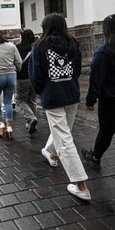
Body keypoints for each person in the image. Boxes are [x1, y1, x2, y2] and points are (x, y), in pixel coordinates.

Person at [29, 13, 90, 201]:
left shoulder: (39, 46)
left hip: (52, 95)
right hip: (71, 93)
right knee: (64, 132)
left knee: (64, 138)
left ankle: (81, 185)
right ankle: (50, 153)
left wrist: (43, 90)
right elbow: (77, 69)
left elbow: (35, 75)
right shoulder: (73, 43)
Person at [82, 14, 115, 167]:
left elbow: (96, 80)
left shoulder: (103, 52)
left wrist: (90, 100)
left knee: (106, 131)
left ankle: (96, 157)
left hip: (109, 100)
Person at [0, 30, 22, 139]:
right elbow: (19, 61)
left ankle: (0, 124)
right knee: (8, 102)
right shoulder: (11, 46)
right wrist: (18, 69)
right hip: (11, 75)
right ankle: (10, 126)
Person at [16, 29, 38, 134]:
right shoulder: (36, 47)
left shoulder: (18, 48)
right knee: (32, 101)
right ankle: (31, 123)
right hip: (34, 78)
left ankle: (31, 118)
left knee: (20, 100)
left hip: (22, 78)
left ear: (23, 37)